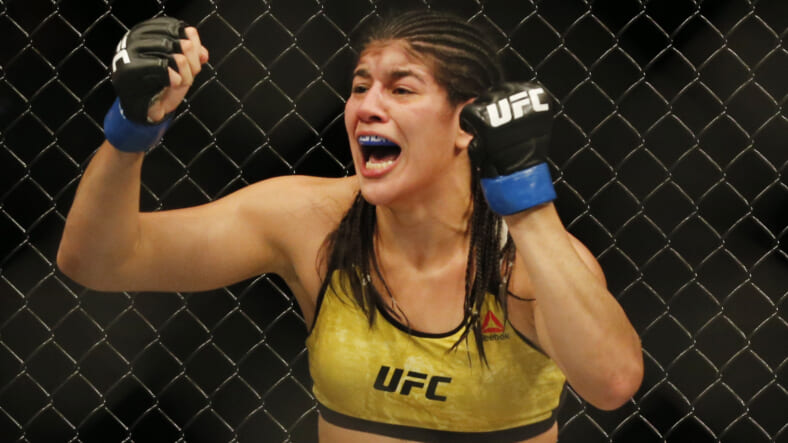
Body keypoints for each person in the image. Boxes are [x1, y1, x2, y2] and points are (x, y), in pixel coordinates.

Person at [57, 10, 643, 443]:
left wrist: (527, 206)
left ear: (466, 125)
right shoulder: (309, 222)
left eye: (401, 88)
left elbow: (613, 382)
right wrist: (131, 129)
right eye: (360, 87)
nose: (367, 106)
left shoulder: (527, 258)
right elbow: (99, 260)